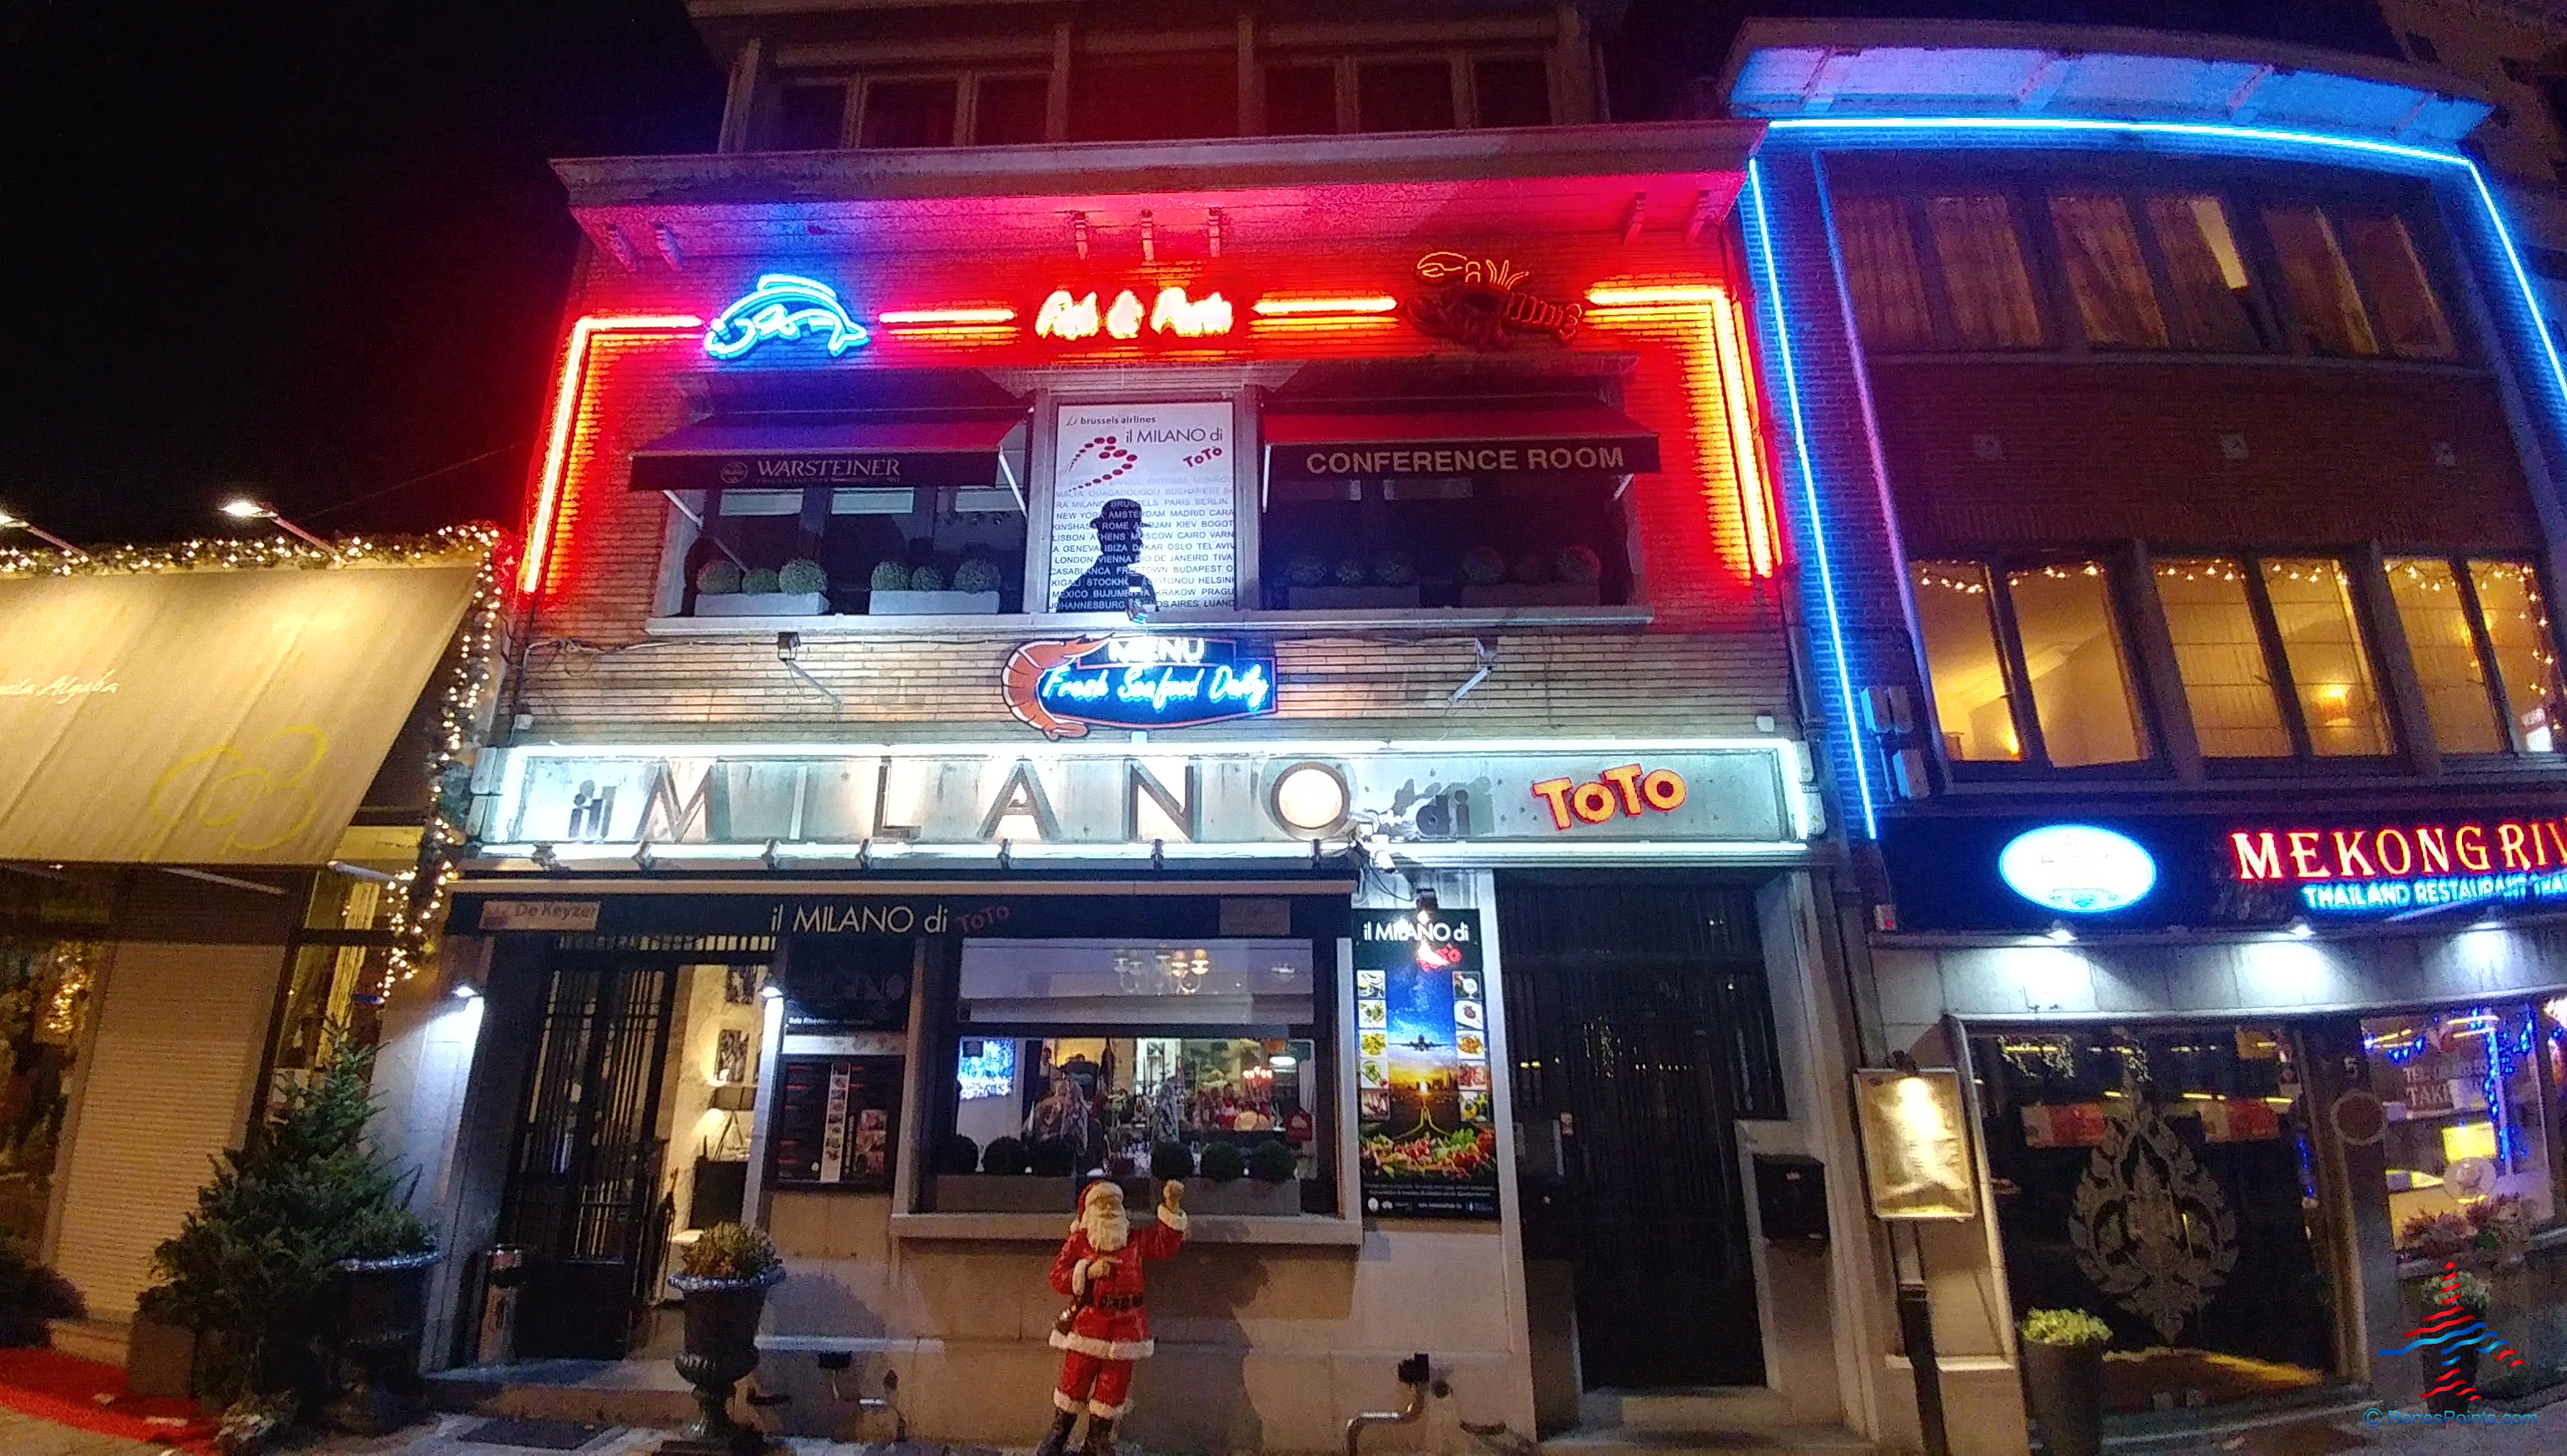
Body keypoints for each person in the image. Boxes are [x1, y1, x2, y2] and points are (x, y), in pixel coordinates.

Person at [1036, 1178, 1186, 1456]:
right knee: (1073, 1383)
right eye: (1102, 1204)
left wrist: (1172, 1207)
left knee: (1113, 1388)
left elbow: (1163, 1245)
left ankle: (1097, 1440)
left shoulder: (1135, 1240)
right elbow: (1057, 1277)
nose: (1109, 1209)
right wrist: (1088, 1271)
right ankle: (1057, 1437)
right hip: (1088, 1326)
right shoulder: (1080, 1241)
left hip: (1127, 1329)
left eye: (1113, 1203)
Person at [1056, 498, 1157, 614]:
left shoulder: (1072, 593)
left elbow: (1148, 623)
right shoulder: (1142, 584)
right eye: (1134, 531)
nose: (1140, 542)